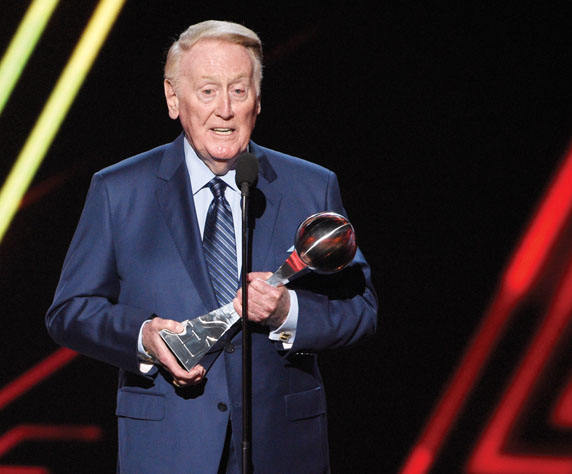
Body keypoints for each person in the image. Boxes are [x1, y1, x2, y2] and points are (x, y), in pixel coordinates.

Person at [45, 20, 377, 474]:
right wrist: (143, 337)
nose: (224, 109)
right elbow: (69, 312)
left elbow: (361, 310)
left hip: (281, 450)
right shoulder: (118, 191)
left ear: (257, 100)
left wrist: (287, 312)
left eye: (238, 91)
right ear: (173, 98)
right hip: (167, 451)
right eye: (207, 91)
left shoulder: (310, 186)